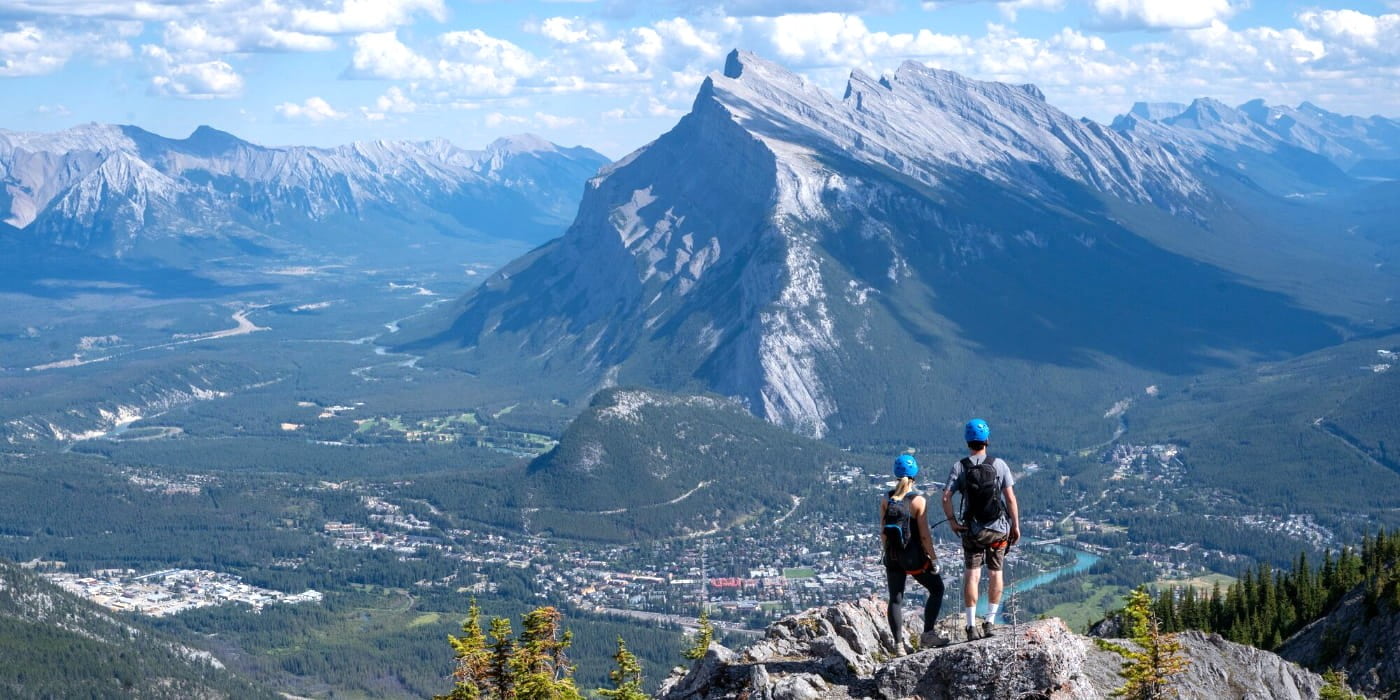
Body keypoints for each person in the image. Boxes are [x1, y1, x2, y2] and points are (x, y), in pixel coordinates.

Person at [942, 418, 1020, 642]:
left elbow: (946, 497)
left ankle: (970, 625)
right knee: (996, 573)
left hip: (972, 531)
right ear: (987, 440)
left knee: (972, 575)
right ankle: (989, 622)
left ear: (968, 441)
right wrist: (1015, 525)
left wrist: (953, 522)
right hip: (998, 530)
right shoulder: (999, 465)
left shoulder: (960, 466)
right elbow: (1010, 499)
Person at [880, 454, 950, 651]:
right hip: (914, 559)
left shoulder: (886, 498)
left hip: (893, 557)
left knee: (895, 598)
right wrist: (934, 559)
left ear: (896, 475)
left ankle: (899, 645)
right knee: (937, 589)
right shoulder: (918, 501)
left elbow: (883, 531)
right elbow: (925, 536)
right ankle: (928, 634)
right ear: (914, 476)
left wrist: (887, 554)